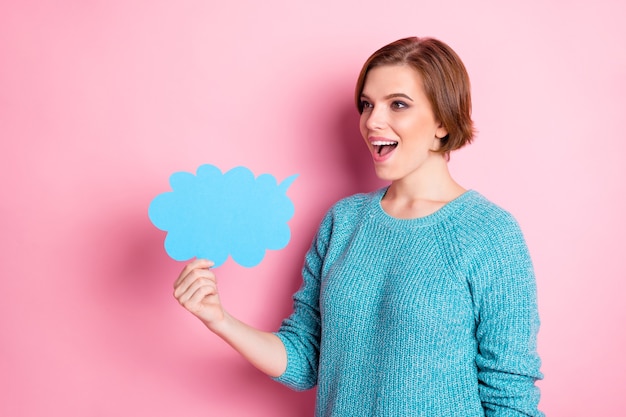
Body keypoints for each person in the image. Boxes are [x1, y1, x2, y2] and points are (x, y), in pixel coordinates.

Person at [173, 36, 544, 416]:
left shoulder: (489, 233)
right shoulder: (343, 221)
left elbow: (510, 397)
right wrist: (218, 319)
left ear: (442, 123)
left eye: (397, 104)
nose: (372, 121)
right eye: (367, 105)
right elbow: (304, 358)